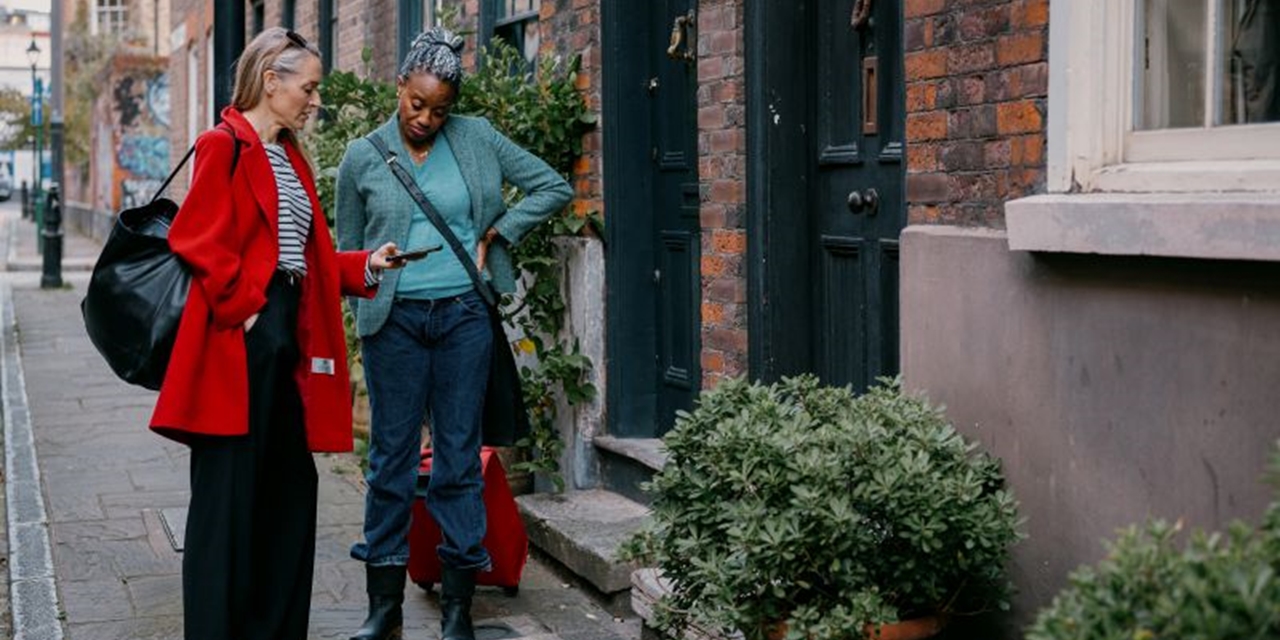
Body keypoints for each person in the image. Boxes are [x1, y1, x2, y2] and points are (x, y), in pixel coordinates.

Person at [148, 27, 400, 640]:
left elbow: (303, 259)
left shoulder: (288, 156)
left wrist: (364, 264)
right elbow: (195, 237)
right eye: (309, 87)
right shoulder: (224, 144)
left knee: (288, 493)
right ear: (272, 81)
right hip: (239, 341)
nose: (315, 100)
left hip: (285, 336)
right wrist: (249, 310)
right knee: (226, 501)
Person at [336, 26, 572, 640]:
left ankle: (459, 607)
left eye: (439, 109)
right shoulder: (363, 155)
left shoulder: (476, 139)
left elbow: (552, 184)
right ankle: (383, 606)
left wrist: (500, 232)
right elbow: (345, 255)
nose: (426, 118)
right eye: (417, 103)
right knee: (390, 459)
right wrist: (371, 266)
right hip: (394, 323)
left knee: (458, 460)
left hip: (464, 315)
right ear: (399, 87)